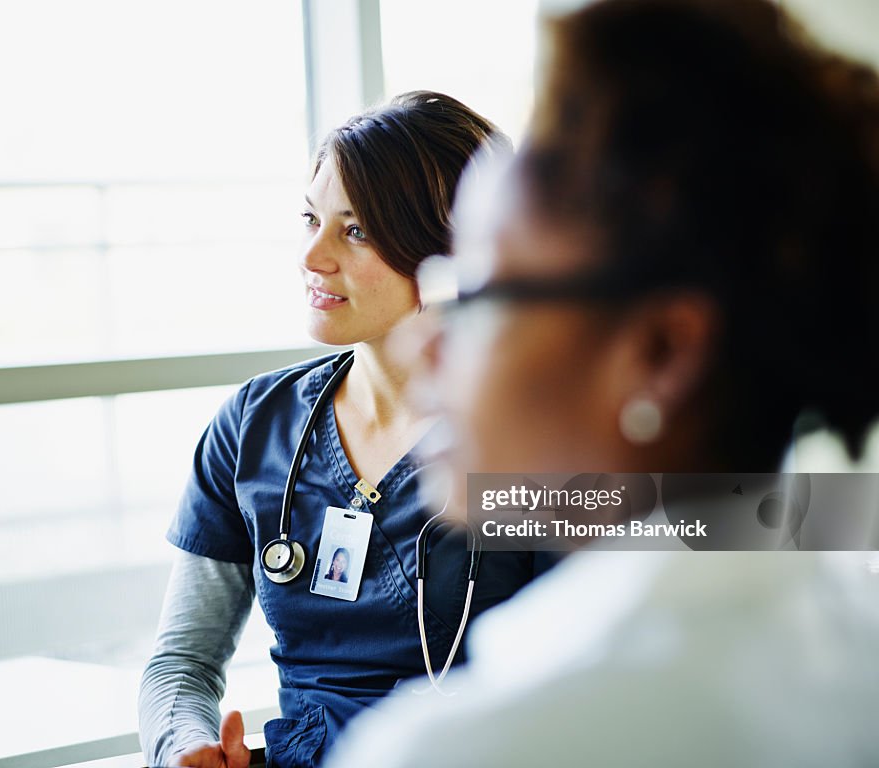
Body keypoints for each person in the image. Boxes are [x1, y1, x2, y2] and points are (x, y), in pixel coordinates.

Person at [325, 1, 879, 766]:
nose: (426, 344)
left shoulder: (476, 746)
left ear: (660, 353)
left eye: (476, 297)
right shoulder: (849, 649)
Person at [137, 91, 559, 768]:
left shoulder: (538, 438)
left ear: (454, 251)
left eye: (354, 230)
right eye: (311, 219)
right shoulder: (254, 427)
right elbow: (181, 661)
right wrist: (184, 744)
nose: (312, 256)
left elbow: (584, 679)